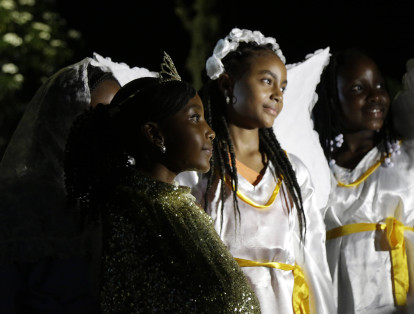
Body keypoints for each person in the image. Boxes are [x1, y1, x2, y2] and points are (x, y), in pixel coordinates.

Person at [64, 52, 261, 313]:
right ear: (155, 134)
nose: (210, 131)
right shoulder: (128, 212)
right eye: (194, 118)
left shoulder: (178, 203)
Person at [177, 28, 335, 314]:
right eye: (266, 81)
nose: (277, 95)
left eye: (283, 87)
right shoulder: (200, 169)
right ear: (227, 85)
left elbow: (313, 261)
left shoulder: (294, 173)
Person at [0, 53, 156, 313]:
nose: (110, 132)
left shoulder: (127, 202)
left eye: (117, 119)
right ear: (62, 121)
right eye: (98, 117)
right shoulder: (19, 205)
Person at [312, 47, 414, 313]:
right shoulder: (316, 170)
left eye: (380, 85)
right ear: (333, 100)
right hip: (335, 300)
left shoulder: (407, 160)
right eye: (359, 89)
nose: (376, 96)